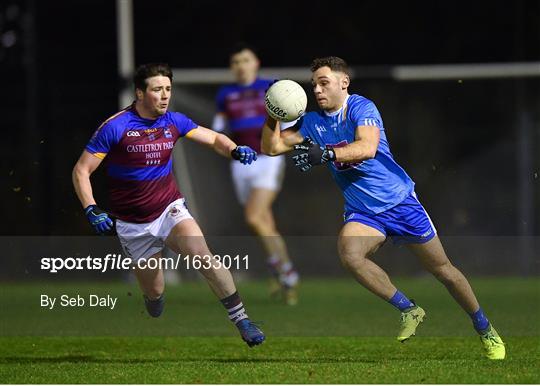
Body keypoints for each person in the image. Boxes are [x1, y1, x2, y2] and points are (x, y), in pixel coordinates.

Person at [261, 56, 505, 359]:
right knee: (350, 253)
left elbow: (367, 147)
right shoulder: (312, 122)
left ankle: (485, 328)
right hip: (363, 212)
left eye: (324, 83)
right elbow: (270, 147)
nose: (318, 91)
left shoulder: (361, 108)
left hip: (400, 202)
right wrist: (273, 112)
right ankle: (409, 309)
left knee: (444, 271)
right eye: (314, 85)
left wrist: (325, 154)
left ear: (343, 82)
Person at [72, 62, 265, 347]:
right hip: (133, 224)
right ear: (139, 93)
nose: (165, 96)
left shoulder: (173, 121)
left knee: (201, 253)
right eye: (157, 90)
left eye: (168, 89)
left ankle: (242, 319)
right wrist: (91, 207)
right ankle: (153, 297)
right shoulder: (115, 127)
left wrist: (234, 149)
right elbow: (81, 171)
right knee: (155, 291)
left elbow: (212, 137)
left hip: (169, 209)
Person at [212, 43, 299, 305]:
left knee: (252, 216)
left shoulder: (270, 89)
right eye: (236, 61)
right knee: (264, 223)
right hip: (241, 164)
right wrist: (229, 151)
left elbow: (291, 125)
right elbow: (218, 133)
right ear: (232, 67)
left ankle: (288, 274)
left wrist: (286, 141)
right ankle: (281, 274)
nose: (241, 65)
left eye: (246, 60)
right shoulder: (225, 95)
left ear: (256, 63)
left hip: (268, 160)